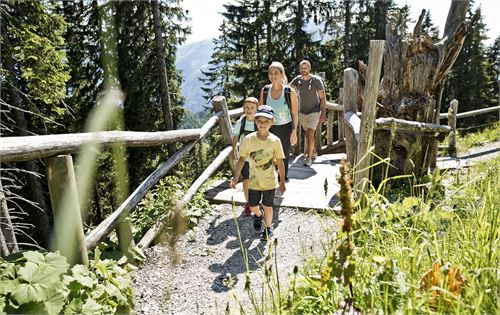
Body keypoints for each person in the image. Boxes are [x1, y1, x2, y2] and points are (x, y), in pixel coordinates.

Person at [230, 105, 286, 241]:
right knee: (253, 204)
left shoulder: (275, 141)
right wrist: (236, 177)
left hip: (269, 181)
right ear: (255, 121)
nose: (262, 124)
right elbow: (242, 159)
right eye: (259, 121)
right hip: (254, 180)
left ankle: (267, 229)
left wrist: (282, 182)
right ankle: (258, 215)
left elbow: (280, 162)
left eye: (266, 121)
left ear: (272, 122)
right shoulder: (249, 139)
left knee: (268, 206)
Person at [259, 61, 298, 181]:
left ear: (282, 75)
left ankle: (282, 179)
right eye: (270, 73)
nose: (273, 76)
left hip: (285, 128)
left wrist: (294, 132)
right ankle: (269, 178)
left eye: (276, 73)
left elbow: (295, 114)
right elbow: (261, 112)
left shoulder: (289, 92)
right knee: (268, 154)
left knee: (283, 155)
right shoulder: (265, 91)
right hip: (269, 128)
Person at [290, 60, 326, 166]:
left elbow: (323, 98)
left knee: (310, 133)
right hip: (302, 112)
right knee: (307, 134)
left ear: (309, 69)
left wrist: (323, 113)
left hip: (315, 111)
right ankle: (313, 151)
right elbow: (288, 87)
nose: (303, 70)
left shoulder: (316, 80)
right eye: (301, 68)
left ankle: (309, 158)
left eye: (305, 68)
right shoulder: (298, 79)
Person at [231, 97, 258, 216]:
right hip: (245, 157)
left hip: (258, 157)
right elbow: (236, 136)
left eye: (252, 108)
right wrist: (234, 151)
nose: (249, 110)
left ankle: (257, 201)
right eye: (247, 107)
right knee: (246, 180)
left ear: (257, 109)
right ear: (243, 108)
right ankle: (248, 202)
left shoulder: (259, 121)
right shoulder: (241, 122)